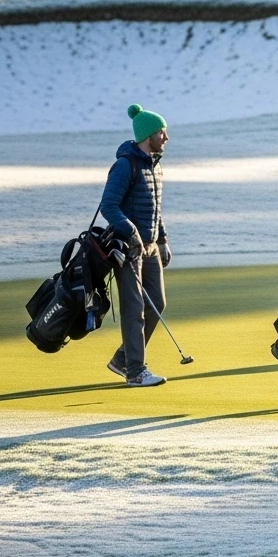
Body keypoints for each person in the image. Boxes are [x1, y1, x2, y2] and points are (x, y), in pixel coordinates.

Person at [100, 104, 172, 387]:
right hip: (129, 248)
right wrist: (131, 233)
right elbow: (109, 206)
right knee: (135, 308)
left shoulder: (155, 166)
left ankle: (122, 359)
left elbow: (154, 207)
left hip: (151, 246)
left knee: (158, 302)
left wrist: (162, 240)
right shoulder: (125, 165)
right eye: (162, 132)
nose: (166, 138)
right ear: (148, 135)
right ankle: (135, 371)